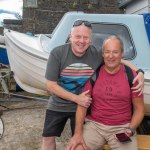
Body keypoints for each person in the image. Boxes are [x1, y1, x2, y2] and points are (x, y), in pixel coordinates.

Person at [42, 20, 144, 150]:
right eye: (78, 36)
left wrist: (139, 72)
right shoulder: (58, 53)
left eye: (85, 37)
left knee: (78, 140)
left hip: (82, 107)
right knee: (48, 137)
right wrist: (76, 98)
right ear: (70, 36)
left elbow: (116, 59)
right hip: (62, 103)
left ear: (90, 40)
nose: (81, 41)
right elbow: (51, 85)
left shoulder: (96, 54)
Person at [67, 36, 144, 150]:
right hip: (95, 126)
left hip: (122, 128)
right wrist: (77, 134)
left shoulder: (132, 76)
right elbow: (82, 105)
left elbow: (139, 109)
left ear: (122, 53)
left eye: (115, 52)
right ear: (102, 54)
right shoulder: (93, 74)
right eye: (107, 52)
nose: (110, 56)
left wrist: (131, 129)